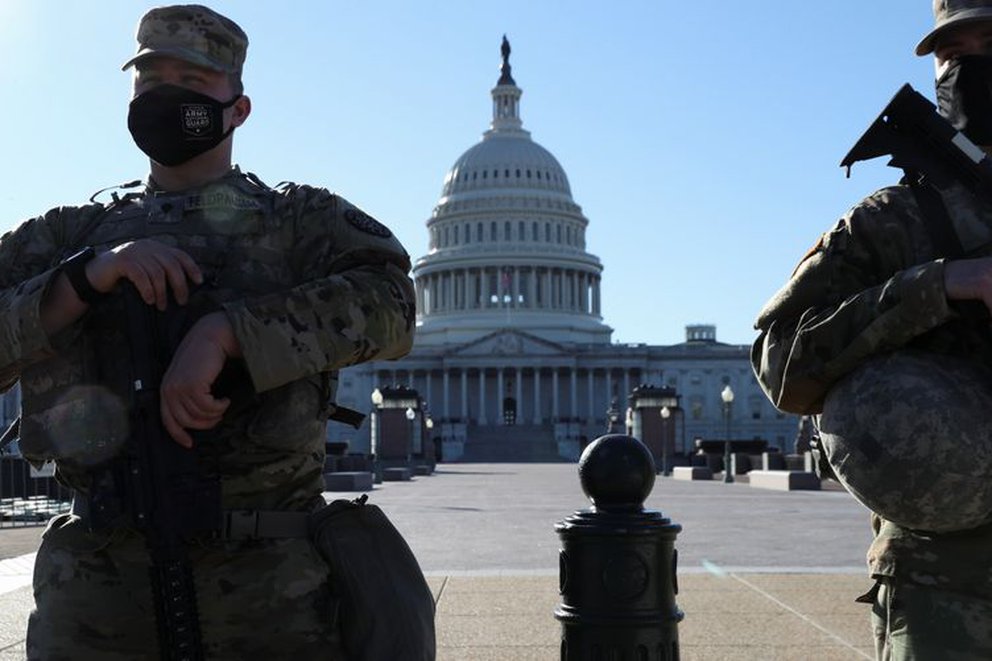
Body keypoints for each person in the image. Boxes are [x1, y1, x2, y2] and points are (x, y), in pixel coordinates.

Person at [0, 4, 416, 659]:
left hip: (265, 599)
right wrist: (84, 281)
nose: (167, 97)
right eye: (149, 81)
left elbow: (393, 302)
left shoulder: (300, 222)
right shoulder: (69, 236)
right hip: (96, 603)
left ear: (238, 108)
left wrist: (231, 334)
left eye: (192, 83)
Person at [752, 1, 992, 658]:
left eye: (988, 39)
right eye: (953, 52)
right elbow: (780, 357)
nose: (970, 63)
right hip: (949, 590)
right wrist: (940, 286)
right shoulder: (892, 220)